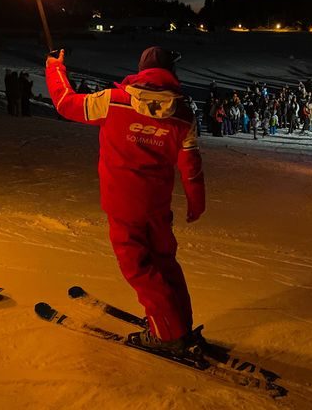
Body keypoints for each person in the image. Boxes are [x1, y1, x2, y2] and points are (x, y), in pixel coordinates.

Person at [46, 46, 206, 353]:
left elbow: (66, 104)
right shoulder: (183, 115)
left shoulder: (113, 101)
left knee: (138, 268)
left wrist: (55, 68)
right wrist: (196, 203)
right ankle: (177, 322)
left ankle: (168, 333)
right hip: (156, 206)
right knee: (164, 262)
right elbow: (191, 166)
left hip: (122, 205)